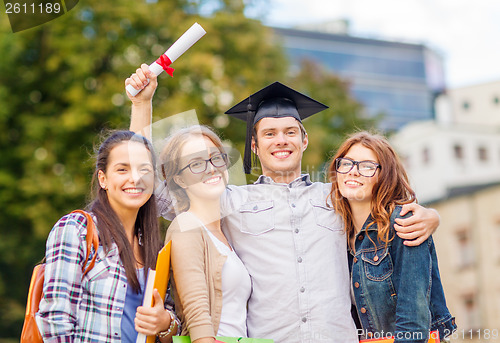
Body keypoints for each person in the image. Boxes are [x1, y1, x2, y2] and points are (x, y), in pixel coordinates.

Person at [126, 65, 440, 343]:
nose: (281, 140)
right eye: (270, 134)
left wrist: (430, 215)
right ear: (255, 145)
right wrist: (142, 104)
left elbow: (385, 208)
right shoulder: (229, 202)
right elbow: (149, 186)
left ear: (304, 140)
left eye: (290, 132)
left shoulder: (338, 196)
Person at [36, 131, 179, 343]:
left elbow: (171, 321)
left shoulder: (157, 249)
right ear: (102, 178)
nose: (135, 178)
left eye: (144, 170)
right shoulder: (78, 229)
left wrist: (166, 323)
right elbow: (55, 319)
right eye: (122, 169)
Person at [328, 131, 456, 342]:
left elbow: (414, 324)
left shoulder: (403, 224)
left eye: (367, 166)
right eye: (347, 163)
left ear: (384, 176)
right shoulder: (335, 232)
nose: (353, 172)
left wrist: (434, 215)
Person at [161, 126, 251, 343]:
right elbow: (197, 316)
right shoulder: (187, 226)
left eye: (215, 158)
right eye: (196, 164)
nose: (211, 169)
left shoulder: (225, 233)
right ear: (180, 180)